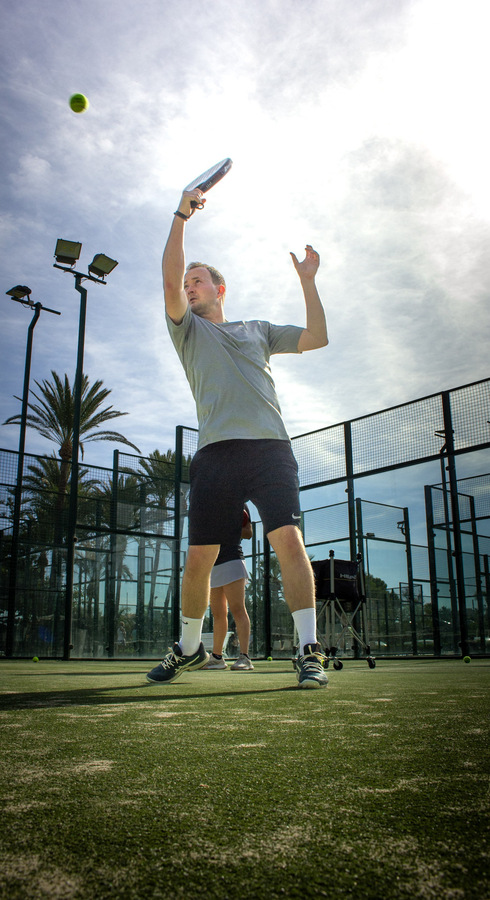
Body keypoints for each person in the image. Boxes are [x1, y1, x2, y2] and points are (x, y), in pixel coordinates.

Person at [146, 180, 329, 689]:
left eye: (198, 280)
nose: (188, 286)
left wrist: (309, 281)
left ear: (219, 289)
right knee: (198, 561)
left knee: (288, 542)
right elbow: (166, 283)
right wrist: (181, 214)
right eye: (186, 282)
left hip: (270, 450)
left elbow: (317, 337)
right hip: (215, 455)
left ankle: (309, 649)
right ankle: (188, 649)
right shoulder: (187, 331)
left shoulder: (257, 329)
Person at [204, 506, 254, 671]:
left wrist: (229, 527)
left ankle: (245, 657)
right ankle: (217, 657)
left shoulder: (240, 503)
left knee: (238, 609)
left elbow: (248, 533)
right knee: (218, 613)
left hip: (233, 560)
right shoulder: (209, 503)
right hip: (213, 563)